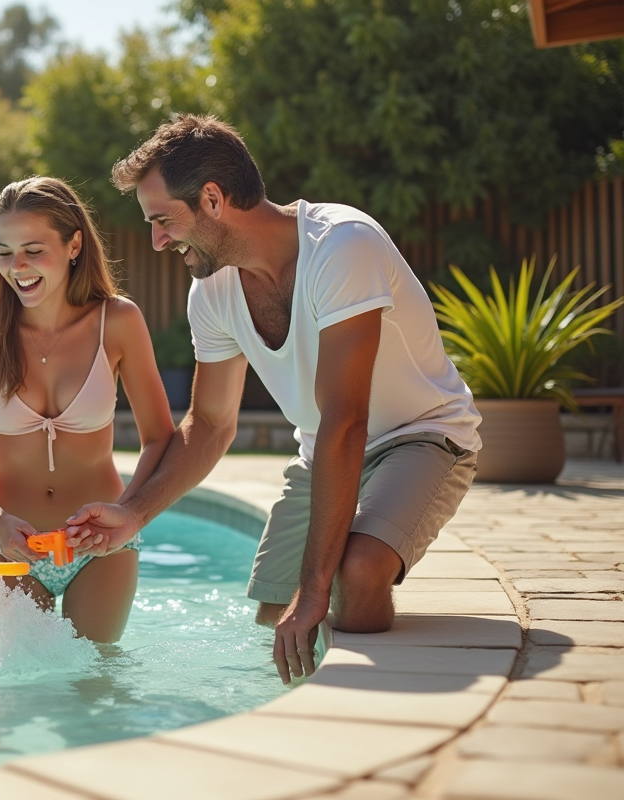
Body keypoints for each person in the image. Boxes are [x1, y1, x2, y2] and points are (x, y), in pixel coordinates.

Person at [64, 115, 482, 682]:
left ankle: (365, 645)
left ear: (212, 198)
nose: (157, 240)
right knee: (271, 616)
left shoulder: (341, 246)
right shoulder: (210, 292)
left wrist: (314, 593)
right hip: (322, 453)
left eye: (163, 220)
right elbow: (210, 423)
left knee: (354, 577)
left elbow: (347, 420)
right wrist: (133, 514)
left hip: (422, 435)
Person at [0, 176, 175, 643]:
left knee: (92, 691)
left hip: (101, 545)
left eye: (32, 249)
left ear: (74, 245)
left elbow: (160, 439)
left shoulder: (118, 321)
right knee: (2, 699)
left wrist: (124, 513)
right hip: (9, 542)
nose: (17, 266)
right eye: (5, 251)